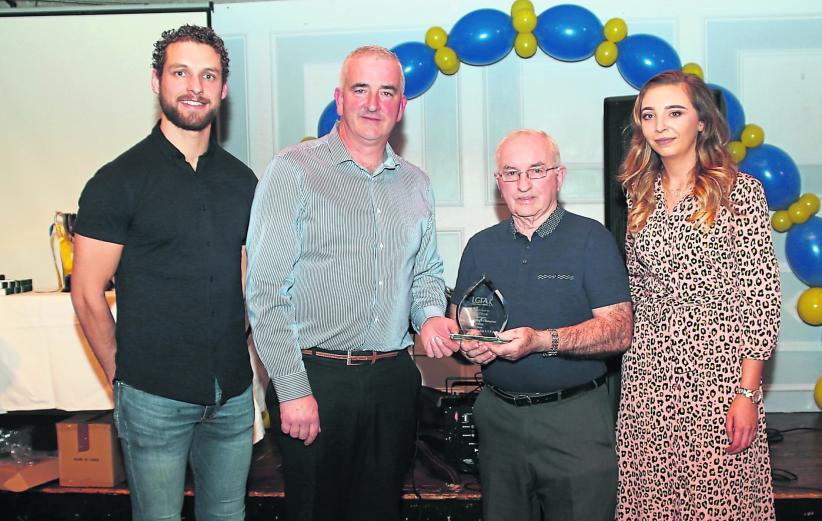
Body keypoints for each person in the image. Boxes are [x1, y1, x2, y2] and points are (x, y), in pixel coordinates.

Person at [245, 45, 460, 521]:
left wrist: (429, 318)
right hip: (316, 379)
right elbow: (265, 294)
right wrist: (293, 389)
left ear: (401, 107)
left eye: (387, 92)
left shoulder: (416, 183)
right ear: (339, 99)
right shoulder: (294, 170)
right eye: (360, 89)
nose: (373, 103)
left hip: (393, 381)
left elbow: (425, 272)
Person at [71, 25, 257, 521]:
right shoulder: (117, 182)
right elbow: (87, 293)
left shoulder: (243, 181)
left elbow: (245, 277)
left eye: (208, 75)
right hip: (152, 398)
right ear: (157, 81)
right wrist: (123, 378)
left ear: (223, 89)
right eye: (181, 72)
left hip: (233, 396)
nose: (194, 86)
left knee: (228, 515)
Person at [616, 70, 781, 520]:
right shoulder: (638, 193)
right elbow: (639, 288)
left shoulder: (740, 192)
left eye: (674, 112)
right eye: (649, 115)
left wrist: (748, 392)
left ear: (702, 122)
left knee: (719, 502)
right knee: (650, 501)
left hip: (719, 375)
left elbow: (761, 298)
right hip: (648, 373)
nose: (660, 125)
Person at [452, 129, 634, 521]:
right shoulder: (480, 246)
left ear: (559, 176)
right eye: (511, 172)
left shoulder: (592, 239)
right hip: (498, 418)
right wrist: (469, 345)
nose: (523, 184)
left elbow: (619, 330)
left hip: (574, 419)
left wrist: (541, 341)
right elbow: (463, 320)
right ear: (499, 182)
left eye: (536, 170)